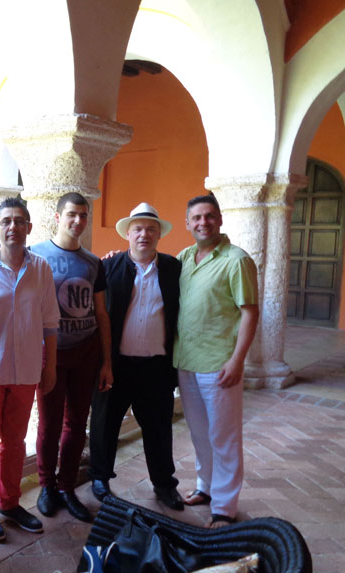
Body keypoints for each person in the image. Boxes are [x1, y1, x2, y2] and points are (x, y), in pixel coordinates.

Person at [0, 198, 60, 542]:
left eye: (19, 221)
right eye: (6, 221)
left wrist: (49, 367)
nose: (13, 227)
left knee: (15, 441)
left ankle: (10, 503)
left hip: (26, 370)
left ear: (29, 227)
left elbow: (50, 323)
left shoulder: (41, 269)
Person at [88, 203, 183, 510]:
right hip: (116, 365)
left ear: (159, 235)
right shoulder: (108, 267)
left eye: (151, 229)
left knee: (159, 429)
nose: (144, 234)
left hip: (157, 366)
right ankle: (100, 478)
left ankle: (164, 484)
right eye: (138, 229)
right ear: (127, 234)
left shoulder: (174, 269)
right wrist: (102, 362)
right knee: (105, 424)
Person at [174, 194, 258, 528]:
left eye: (209, 216)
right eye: (196, 218)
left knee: (224, 436)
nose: (203, 223)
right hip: (187, 361)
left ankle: (224, 506)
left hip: (220, 363)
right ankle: (205, 487)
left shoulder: (237, 260)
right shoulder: (184, 258)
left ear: (219, 219)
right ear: (187, 223)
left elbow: (249, 312)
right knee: (199, 432)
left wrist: (238, 360)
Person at [30, 192, 113, 523]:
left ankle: (67, 487)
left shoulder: (93, 263)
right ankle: (46, 486)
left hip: (85, 353)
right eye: (71, 214)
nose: (78, 221)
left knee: (77, 423)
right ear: (57, 217)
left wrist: (106, 361)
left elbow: (102, 313)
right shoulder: (36, 255)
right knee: (49, 424)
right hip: (49, 354)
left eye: (83, 215)